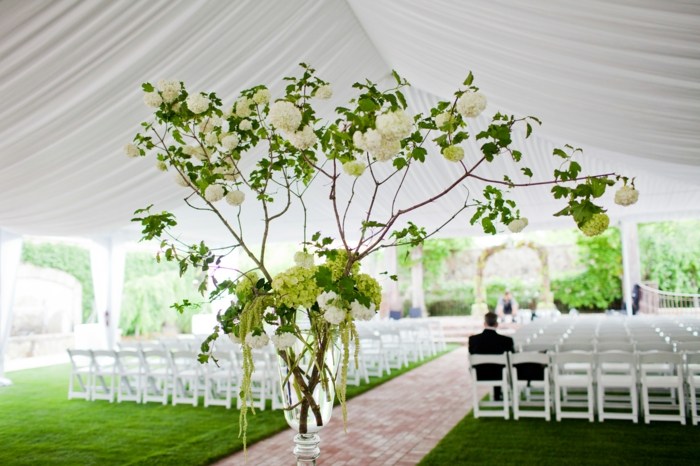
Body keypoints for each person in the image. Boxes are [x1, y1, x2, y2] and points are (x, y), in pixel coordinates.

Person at [468, 312, 515, 400]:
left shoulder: (473, 340)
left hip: (479, 374)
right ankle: (498, 394)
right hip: (500, 374)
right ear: (497, 324)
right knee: (500, 367)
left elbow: (471, 355)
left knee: (493, 367)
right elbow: (512, 358)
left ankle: (497, 394)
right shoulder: (506, 340)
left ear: (484, 324)